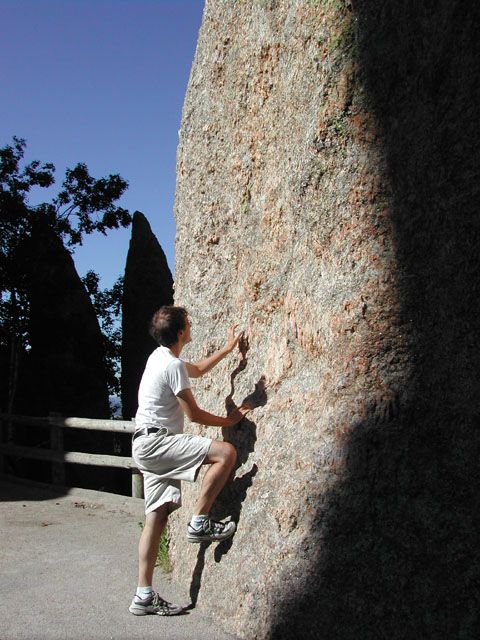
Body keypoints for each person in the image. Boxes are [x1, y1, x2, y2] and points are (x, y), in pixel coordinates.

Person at [129, 305, 252, 616]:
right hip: (159, 442)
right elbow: (194, 414)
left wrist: (227, 350)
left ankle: (143, 595)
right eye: (188, 322)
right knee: (226, 453)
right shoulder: (170, 365)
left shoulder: (160, 358)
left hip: (143, 443)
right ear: (181, 332)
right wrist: (230, 421)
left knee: (156, 517)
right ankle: (200, 521)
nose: (191, 323)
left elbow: (195, 369)